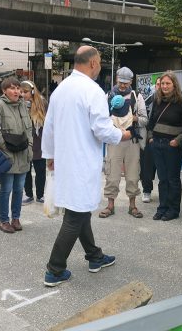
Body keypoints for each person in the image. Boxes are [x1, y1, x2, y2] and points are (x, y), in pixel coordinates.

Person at [41, 46, 132, 287]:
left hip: (66, 160)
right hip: (82, 162)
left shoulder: (60, 90)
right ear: (92, 63)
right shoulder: (92, 90)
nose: (100, 67)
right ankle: (55, 268)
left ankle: (95, 256)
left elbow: (49, 126)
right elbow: (102, 128)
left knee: (78, 211)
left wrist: (50, 154)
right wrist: (122, 134)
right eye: (100, 62)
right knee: (75, 215)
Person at [99, 67, 148, 219]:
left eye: (126, 83)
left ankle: (133, 205)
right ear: (116, 80)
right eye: (121, 82)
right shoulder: (107, 96)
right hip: (114, 140)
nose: (123, 86)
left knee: (133, 174)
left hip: (132, 141)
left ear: (131, 82)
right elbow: (102, 119)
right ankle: (110, 205)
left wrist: (133, 119)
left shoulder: (137, 96)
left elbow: (145, 120)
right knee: (112, 172)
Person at [0, 77, 33, 233]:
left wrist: (30, 145)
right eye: (12, 88)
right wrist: (4, 147)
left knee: (19, 189)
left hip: (22, 152)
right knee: (6, 189)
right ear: (4, 91)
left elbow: (29, 127)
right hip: (8, 153)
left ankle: (16, 218)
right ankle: (4, 221)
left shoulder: (23, 106)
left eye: (18, 88)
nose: (16, 91)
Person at [148, 72, 182, 221]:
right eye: (163, 83)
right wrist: (151, 138)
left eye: (168, 83)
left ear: (174, 85)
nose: (164, 86)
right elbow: (151, 122)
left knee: (173, 179)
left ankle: (173, 209)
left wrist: (177, 140)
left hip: (173, 147)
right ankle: (162, 207)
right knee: (162, 179)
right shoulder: (157, 101)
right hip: (157, 144)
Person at [20, 80, 48, 205]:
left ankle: (40, 194)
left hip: (39, 140)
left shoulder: (42, 102)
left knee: (40, 170)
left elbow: (48, 121)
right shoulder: (20, 104)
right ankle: (28, 194)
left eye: (25, 92)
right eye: (21, 92)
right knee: (26, 170)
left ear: (32, 91)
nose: (23, 94)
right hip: (25, 140)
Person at [140, 77, 160, 203]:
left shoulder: (174, 100)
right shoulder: (148, 99)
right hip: (149, 138)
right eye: (158, 84)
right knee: (147, 167)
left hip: (165, 138)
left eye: (163, 83)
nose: (161, 86)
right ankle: (146, 191)